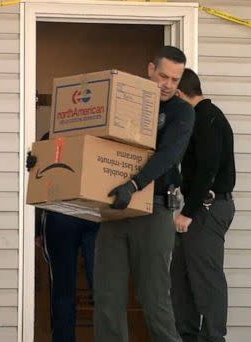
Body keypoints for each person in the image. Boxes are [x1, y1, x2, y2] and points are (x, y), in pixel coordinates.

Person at [93, 46, 195, 342]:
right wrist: (45, 159)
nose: (168, 84)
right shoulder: (123, 103)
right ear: (150, 69)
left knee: (155, 301)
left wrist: (135, 184)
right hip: (114, 211)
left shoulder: (181, 112)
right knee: (107, 299)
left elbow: (169, 155)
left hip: (155, 210)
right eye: (163, 76)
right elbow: (90, 138)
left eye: (175, 80)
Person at [170, 68, 236, 342]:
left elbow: (208, 168)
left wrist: (188, 212)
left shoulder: (208, 118)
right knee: (181, 279)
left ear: (179, 92)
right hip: (196, 208)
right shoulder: (195, 119)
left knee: (206, 280)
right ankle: (186, 335)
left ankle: (212, 337)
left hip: (207, 209)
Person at [26, 137, 100, 342]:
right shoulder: (99, 129)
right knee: (93, 288)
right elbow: (38, 172)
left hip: (82, 216)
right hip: (83, 214)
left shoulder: (55, 132)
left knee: (69, 289)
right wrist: (38, 228)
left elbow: (38, 172)